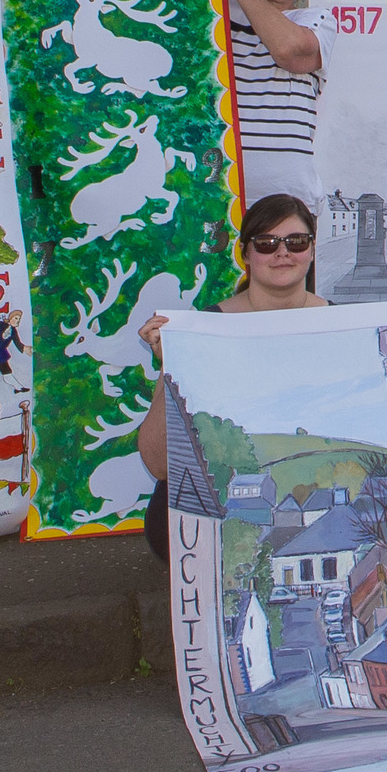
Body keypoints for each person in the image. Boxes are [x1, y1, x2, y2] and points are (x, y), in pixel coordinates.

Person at [135, 192, 333, 560]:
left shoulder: (349, 327)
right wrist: (172, 367)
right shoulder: (202, 331)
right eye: (267, 243)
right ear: (245, 253)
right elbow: (158, 464)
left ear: (311, 248)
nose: (282, 253)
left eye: (296, 241)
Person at [213, 0, 332, 205]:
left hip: (288, 205)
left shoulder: (319, 20)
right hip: (217, 195)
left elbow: (289, 51)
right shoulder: (214, 14)